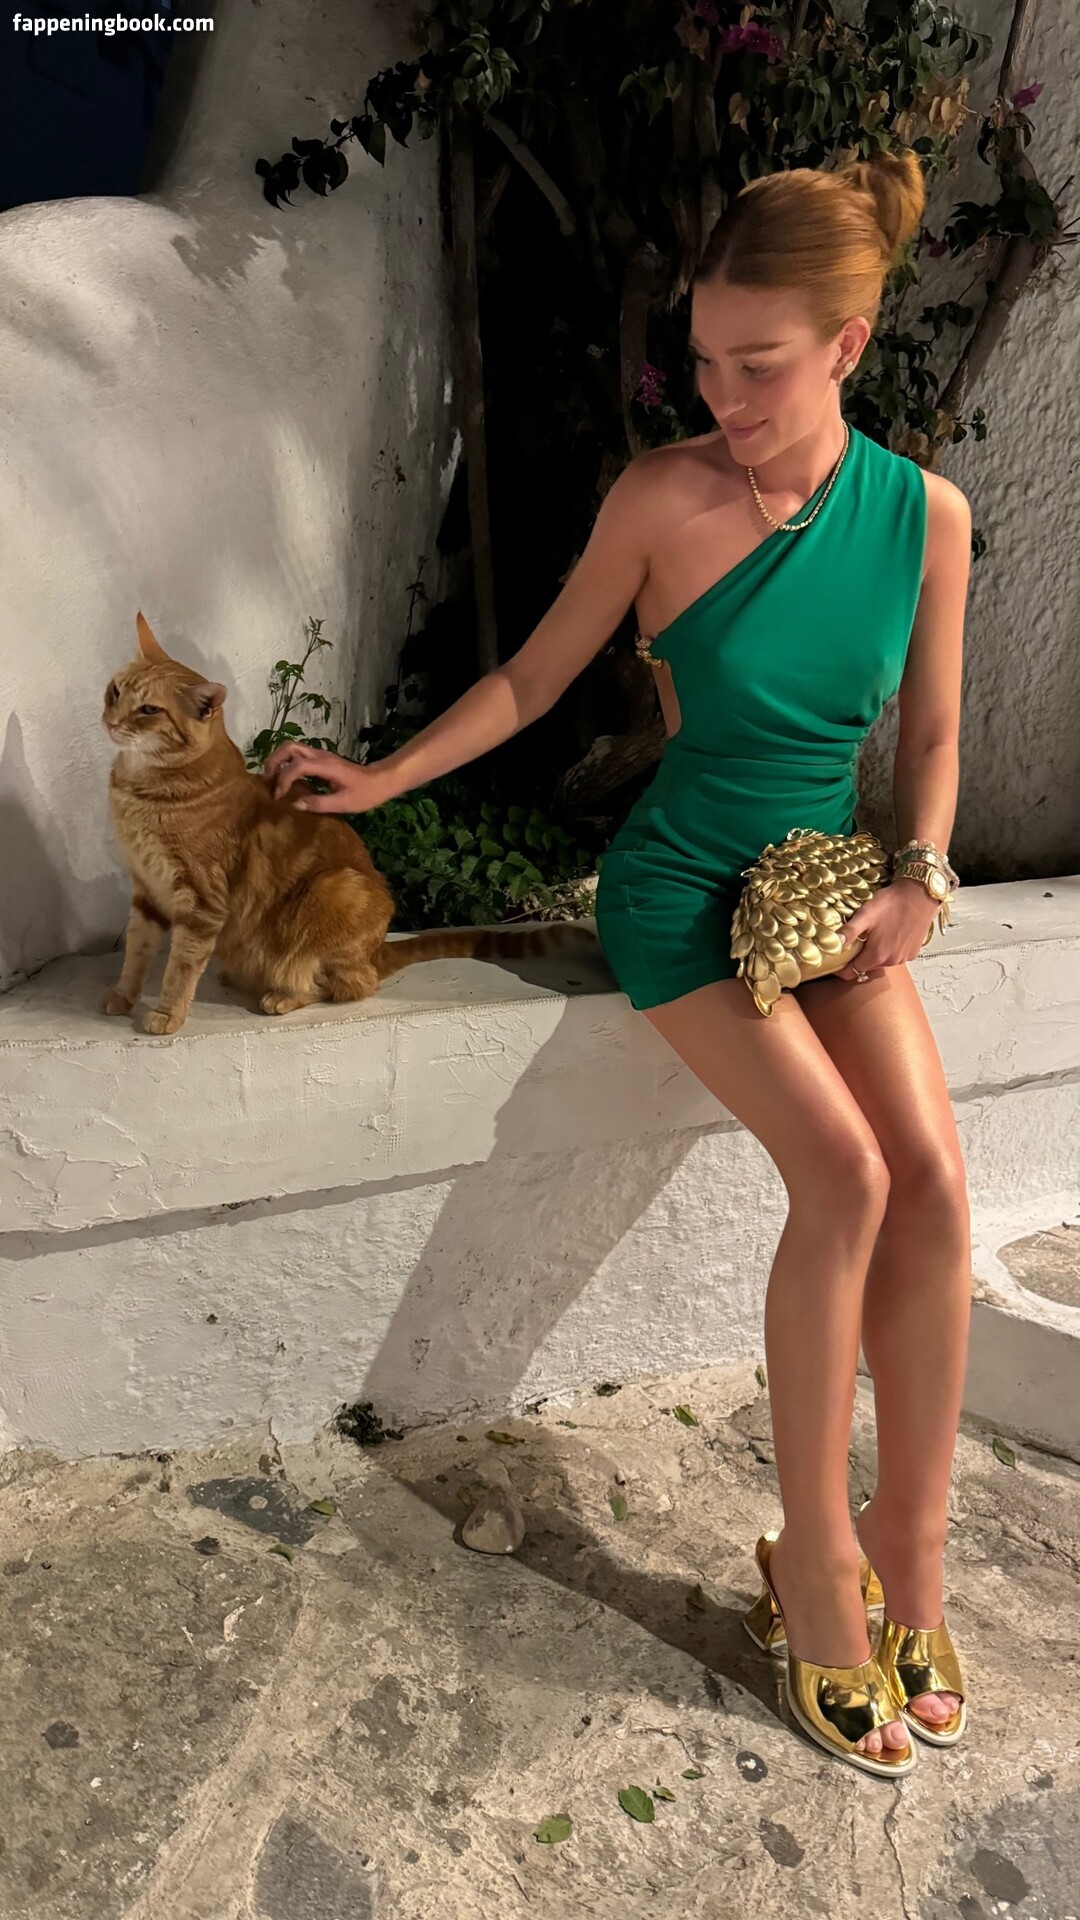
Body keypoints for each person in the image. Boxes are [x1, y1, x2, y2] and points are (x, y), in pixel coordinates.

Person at [265, 146, 971, 1779]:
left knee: (935, 1180)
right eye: (704, 361)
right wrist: (379, 777)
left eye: (757, 365)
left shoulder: (924, 518)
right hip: (681, 892)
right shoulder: (662, 499)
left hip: (825, 890)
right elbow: (530, 680)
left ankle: (912, 1547)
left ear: (849, 344)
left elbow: (933, 734)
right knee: (849, 1176)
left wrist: (921, 876)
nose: (720, 395)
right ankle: (816, 1562)